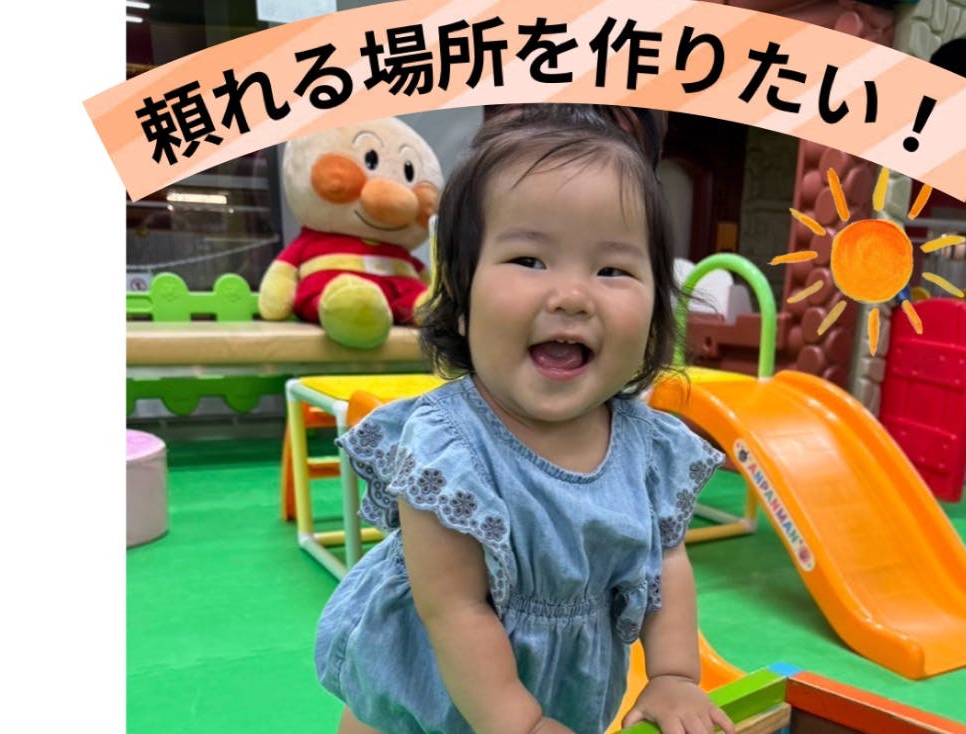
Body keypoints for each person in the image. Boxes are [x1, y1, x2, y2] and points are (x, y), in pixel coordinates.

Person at [315, 106, 736, 734]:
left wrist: (674, 676)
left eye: (612, 270)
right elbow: (453, 608)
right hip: (426, 697)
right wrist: (521, 723)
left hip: (562, 695)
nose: (571, 296)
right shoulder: (448, 450)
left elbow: (665, 565)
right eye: (529, 260)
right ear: (461, 298)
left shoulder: (649, 449)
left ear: (655, 314)